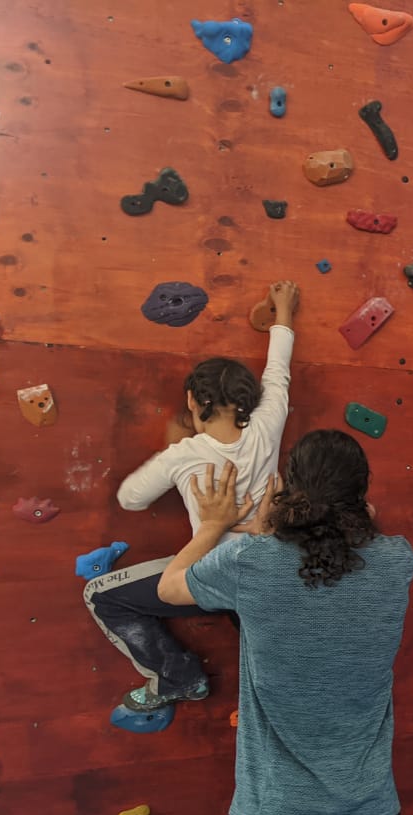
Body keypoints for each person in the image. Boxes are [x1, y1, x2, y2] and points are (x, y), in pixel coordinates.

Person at [157, 430, 413, 815]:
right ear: (363, 492)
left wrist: (215, 525)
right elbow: (355, 537)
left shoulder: (252, 561)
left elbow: (170, 585)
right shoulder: (398, 561)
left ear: (287, 489)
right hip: (369, 814)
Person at [83, 280, 299, 711]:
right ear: (247, 402)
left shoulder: (183, 455)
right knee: (254, 621)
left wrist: (171, 450)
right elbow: (278, 372)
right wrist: (284, 311)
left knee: (100, 595)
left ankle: (178, 678)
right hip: (266, 574)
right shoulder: (267, 426)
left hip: (210, 577)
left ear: (193, 401)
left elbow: (130, 498)